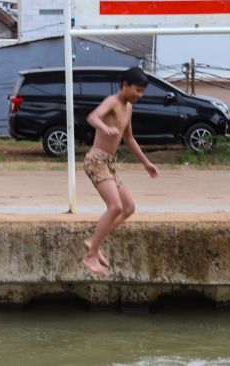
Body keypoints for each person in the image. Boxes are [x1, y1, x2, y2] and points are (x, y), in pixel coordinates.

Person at [83, 67, 159, 277]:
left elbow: (129, 139)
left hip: (109, 163)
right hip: (96, 161)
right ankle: (91, 255)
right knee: (115, 206)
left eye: (143, 92)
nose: (140, 95)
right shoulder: (112, 102)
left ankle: (93, 243)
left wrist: (146, 163)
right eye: (137, 90)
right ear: (125, 85)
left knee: (128, 207)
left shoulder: (129, 109)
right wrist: (105, 128)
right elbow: (93, 117)